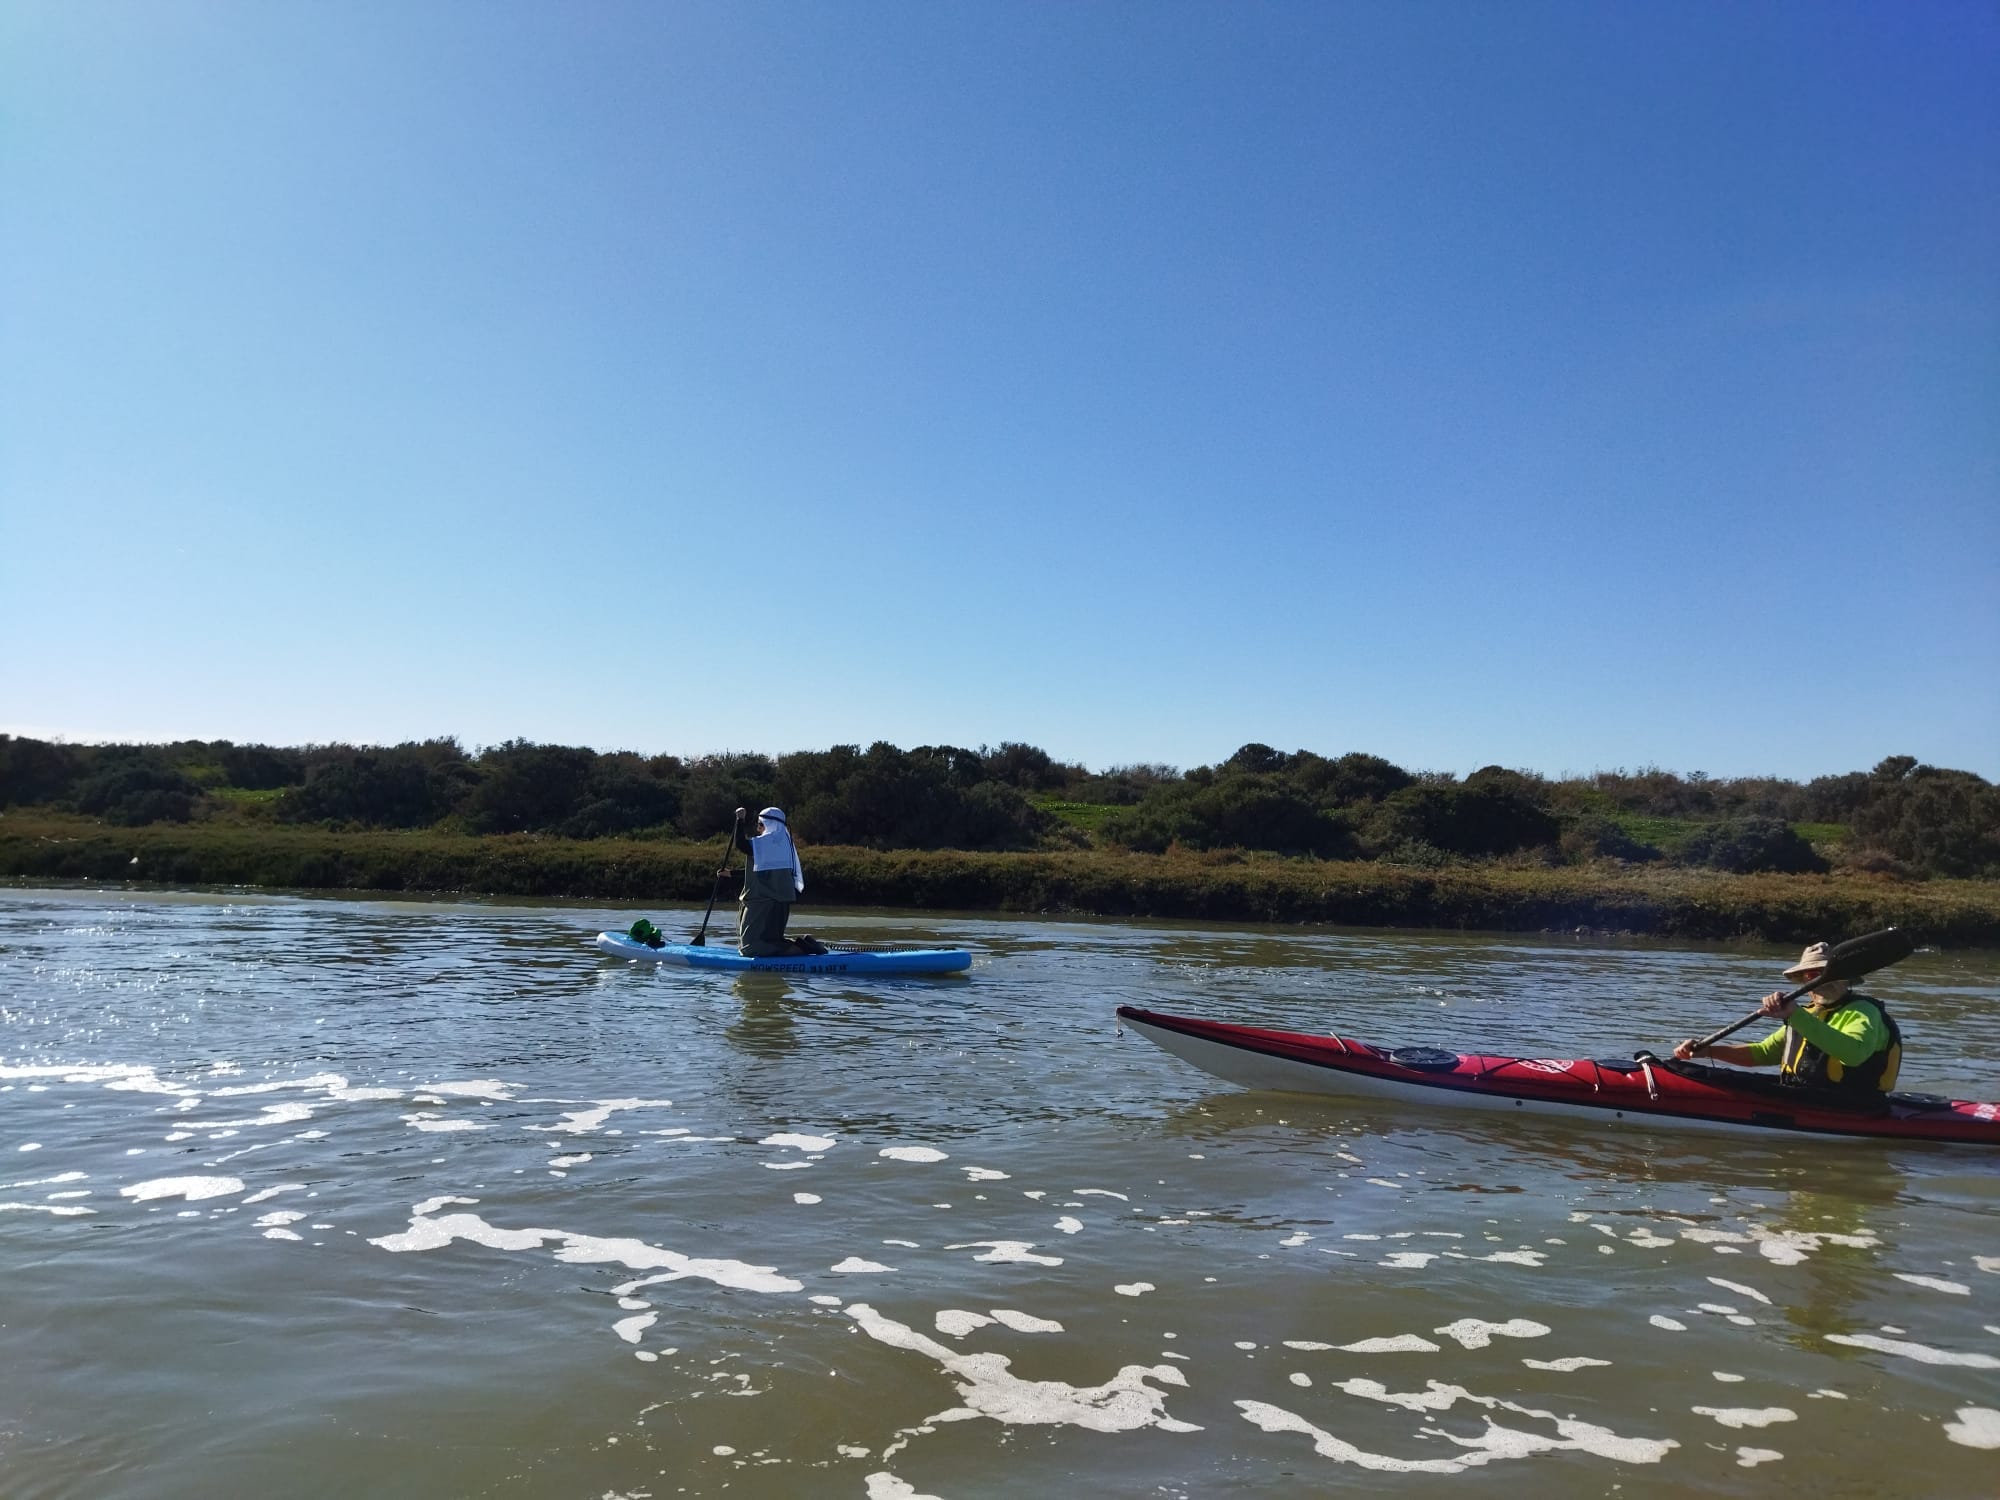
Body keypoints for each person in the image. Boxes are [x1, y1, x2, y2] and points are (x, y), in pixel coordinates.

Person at [1674, 941, 1903, 1100]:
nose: (1822, 982)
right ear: (1804, 981)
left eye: (1828, 974)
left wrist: (1794, 1015)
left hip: (1851, 1103)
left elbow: (1854, 1054)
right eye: (1813, 976)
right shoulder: (1808, 1014)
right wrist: (1709, 1051)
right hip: (1805, 1095)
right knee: (1707, 1074)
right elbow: (1763, 1053)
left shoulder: (1863, 1012)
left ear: (1847, 980)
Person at [726, 806, 820, 957]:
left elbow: (741, 845)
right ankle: (803, 944)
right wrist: (731, 874)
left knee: (751, 947)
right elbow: (763, 872)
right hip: (781, 903)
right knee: (771, 940)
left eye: (760, 824)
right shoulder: (786, 847)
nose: (758, 828)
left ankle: (801, 949)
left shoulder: (764, 843)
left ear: (767, 824)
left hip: (762, 903)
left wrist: (740, 820)